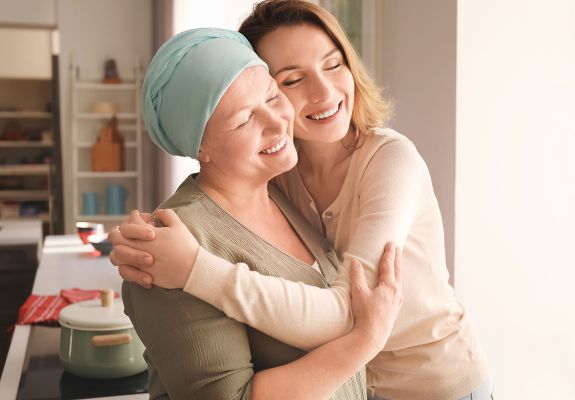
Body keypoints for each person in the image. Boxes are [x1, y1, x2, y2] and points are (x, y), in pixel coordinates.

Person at [111, 1, 492, 399]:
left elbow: (348, 312)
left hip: (436, 384)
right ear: (197, 145)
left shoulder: (389, 161)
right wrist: (139, 240)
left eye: (332, 64)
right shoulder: (281, 174)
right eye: (290, 82)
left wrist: (194, 269)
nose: (324, 91)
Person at [121, 27, 403, 400]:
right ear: (199, 146)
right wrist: (366, 339)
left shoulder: (285, 194)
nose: (276, 122)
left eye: (272, 96)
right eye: (244, 120)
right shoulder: (169, 246)